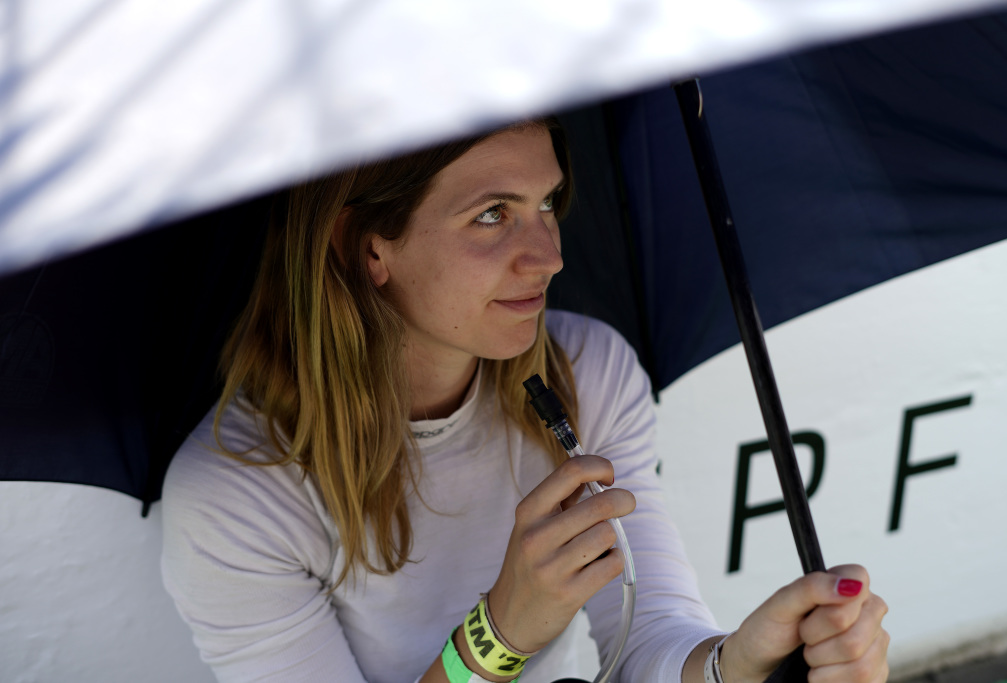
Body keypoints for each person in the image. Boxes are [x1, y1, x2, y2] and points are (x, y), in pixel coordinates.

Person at [161, 118, 889, 683]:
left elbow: (645, 636)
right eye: (491, 215)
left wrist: (739, 662)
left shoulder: (586, 373)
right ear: (367, 246)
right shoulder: (235, 498)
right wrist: (498, 636)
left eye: (546, 203)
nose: (549, 255)